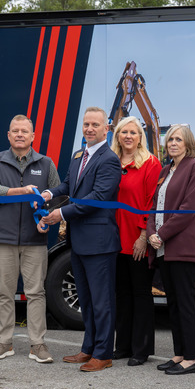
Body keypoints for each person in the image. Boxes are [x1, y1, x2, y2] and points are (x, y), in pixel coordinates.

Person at [40, 107, 122, 372]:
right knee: (86, 300)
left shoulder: (109, 159)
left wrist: (61, 213)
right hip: (79, 241)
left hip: (99, 243)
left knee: (102, 301)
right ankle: (88, 349)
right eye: (86, 124)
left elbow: (98, 198)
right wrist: (49, 194)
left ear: (105, 130)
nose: (89, 129)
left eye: (95, 125)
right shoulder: (78, 155)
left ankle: (103, 353)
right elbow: (67, 186)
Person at [0, 115, 60, 363]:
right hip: (3, 239)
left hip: (34, 241)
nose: (19, 135)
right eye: (15, 131)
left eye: (24, 131)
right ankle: (4, 342)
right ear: (8, 135)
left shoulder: (46, 163)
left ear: (33, 136)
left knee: (36, 293)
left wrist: (47, 220)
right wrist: (21, 191)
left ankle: (37, 345)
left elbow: (57, 197)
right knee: (4, 292)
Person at [147, 124, 195, 376]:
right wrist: (151, 231)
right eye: (170, 139)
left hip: (181, 247)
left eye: (178, 139)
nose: (173, 143)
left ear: (188, 143)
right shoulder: (165, 170)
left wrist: (160, 234)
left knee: (185, 303)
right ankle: (179, 353)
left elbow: (188, 209)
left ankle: (192, 358)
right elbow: (153, 206)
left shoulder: (194, 168)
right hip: (162, 249)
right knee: (172, 303)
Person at [110, 116, 160, 366]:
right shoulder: (111, 162)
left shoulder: (150, 164)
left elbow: (152, 202)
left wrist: (143, 236)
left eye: (134, 132)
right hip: (113, 240)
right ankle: (124, 345)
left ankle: (141, 349)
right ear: (117, 135)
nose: (128, 136)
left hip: (137, 240)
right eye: (124, 132)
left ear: (141, 137)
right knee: (122, 294)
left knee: (141, 294)